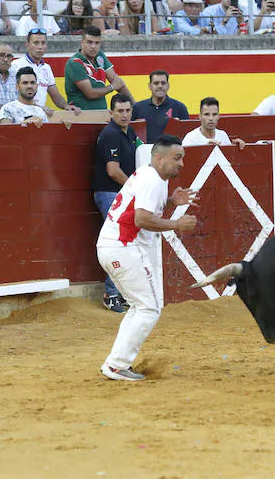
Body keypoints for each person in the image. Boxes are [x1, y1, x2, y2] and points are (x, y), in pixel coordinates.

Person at [97, 134, 198, 382]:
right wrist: (176, 224)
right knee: (149, 308)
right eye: (177, 158)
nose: (181, 163)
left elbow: (145, 212)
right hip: (123, 247)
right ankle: (116, 365)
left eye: (182, 158)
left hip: (113, 246)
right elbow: (141, 219)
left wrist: (172, 201)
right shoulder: (152, 180)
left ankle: (117, 363)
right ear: (159, 158)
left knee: (140, 307)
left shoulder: (152, 176)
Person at [92, 93, 141, 313]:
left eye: (128, 110)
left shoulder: (129, 132)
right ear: (110, 113)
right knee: (119, 244)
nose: (124, 114)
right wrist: (134, 188)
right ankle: (111, 294)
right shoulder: (111, 134)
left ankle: (118, 293)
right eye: (120, 111)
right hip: (111, 194)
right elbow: (113, 171)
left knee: (124, 244)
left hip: (119, 194)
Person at [10, 28, 79, 113]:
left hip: (39, 116)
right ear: (27, 45)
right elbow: (12, 96)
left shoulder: (46, 67)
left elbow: (55, 95)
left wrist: (66, 106)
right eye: (36, 43)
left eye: (43, 43)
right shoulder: (15, 65)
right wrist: (38, 108)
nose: (40, 47)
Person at [64, 26, 132, 110]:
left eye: (97, 43)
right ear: (82, 43)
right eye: (89, 42)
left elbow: (117, 82)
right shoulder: (74, 62)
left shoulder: (99, 55)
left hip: (102, 115)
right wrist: (111, 87)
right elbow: (90, 94)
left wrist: (135, 106)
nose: (93, 46)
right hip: (81, 116)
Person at [132, 70, 190, 142]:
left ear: (168, 86)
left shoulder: (180, 108)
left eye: (163, 83)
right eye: (156, 83)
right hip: (144, 151)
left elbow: (187, 137)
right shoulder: (137, 108)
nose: (160, 86)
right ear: (150, 86)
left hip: (170, 152)